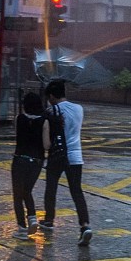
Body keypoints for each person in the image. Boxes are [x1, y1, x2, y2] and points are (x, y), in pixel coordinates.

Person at [40, 79, 92, 246]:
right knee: (76, 191)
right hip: (76, 156)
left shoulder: (51, 110)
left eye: (49, 97)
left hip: (57, 155)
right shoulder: (79, 109)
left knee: (51, 187)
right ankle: (85, 226)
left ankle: (49, 220)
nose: (49, 100)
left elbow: (48, 135)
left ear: (52, 95)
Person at [11, 91, 49, 237]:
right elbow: (46, 145)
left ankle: (21, 227)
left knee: (17, 194)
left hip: (20, 159)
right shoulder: (45, 121)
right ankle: (32, 217)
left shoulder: (19, 119)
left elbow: (18, 138)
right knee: (27, 190)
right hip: (36, 161)